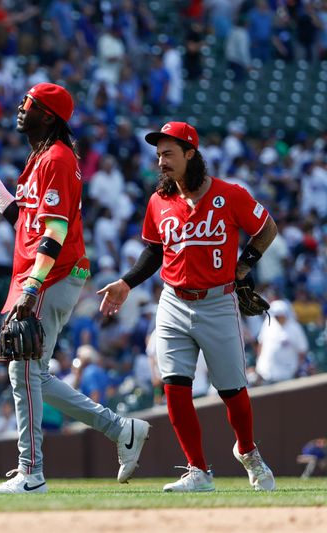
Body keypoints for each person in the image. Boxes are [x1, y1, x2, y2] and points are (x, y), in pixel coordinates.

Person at [0, 83, 150, 494]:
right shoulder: (38, 159)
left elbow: (56, 229)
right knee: (30, 373)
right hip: (38, 273)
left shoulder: (57, 158)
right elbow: (22, 218)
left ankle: (31, 471)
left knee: (25, 372)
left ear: (48, 115)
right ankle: (121, 429)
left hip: (51, 273)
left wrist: (33, 285)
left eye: (27, 104)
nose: (19, 107)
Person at [98, 121, 278, 492]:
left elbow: (267, 229)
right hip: (173, 302)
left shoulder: (230, 194)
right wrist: (125, 283)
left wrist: (244, 265)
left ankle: (247, 452)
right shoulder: (158, 201)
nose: (161, 161)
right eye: (159, 154)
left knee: (233, 393)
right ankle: (198, 470)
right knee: (175, 387)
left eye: (169, 153)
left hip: (218, 301)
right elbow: (153, 251)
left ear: (190, 154)